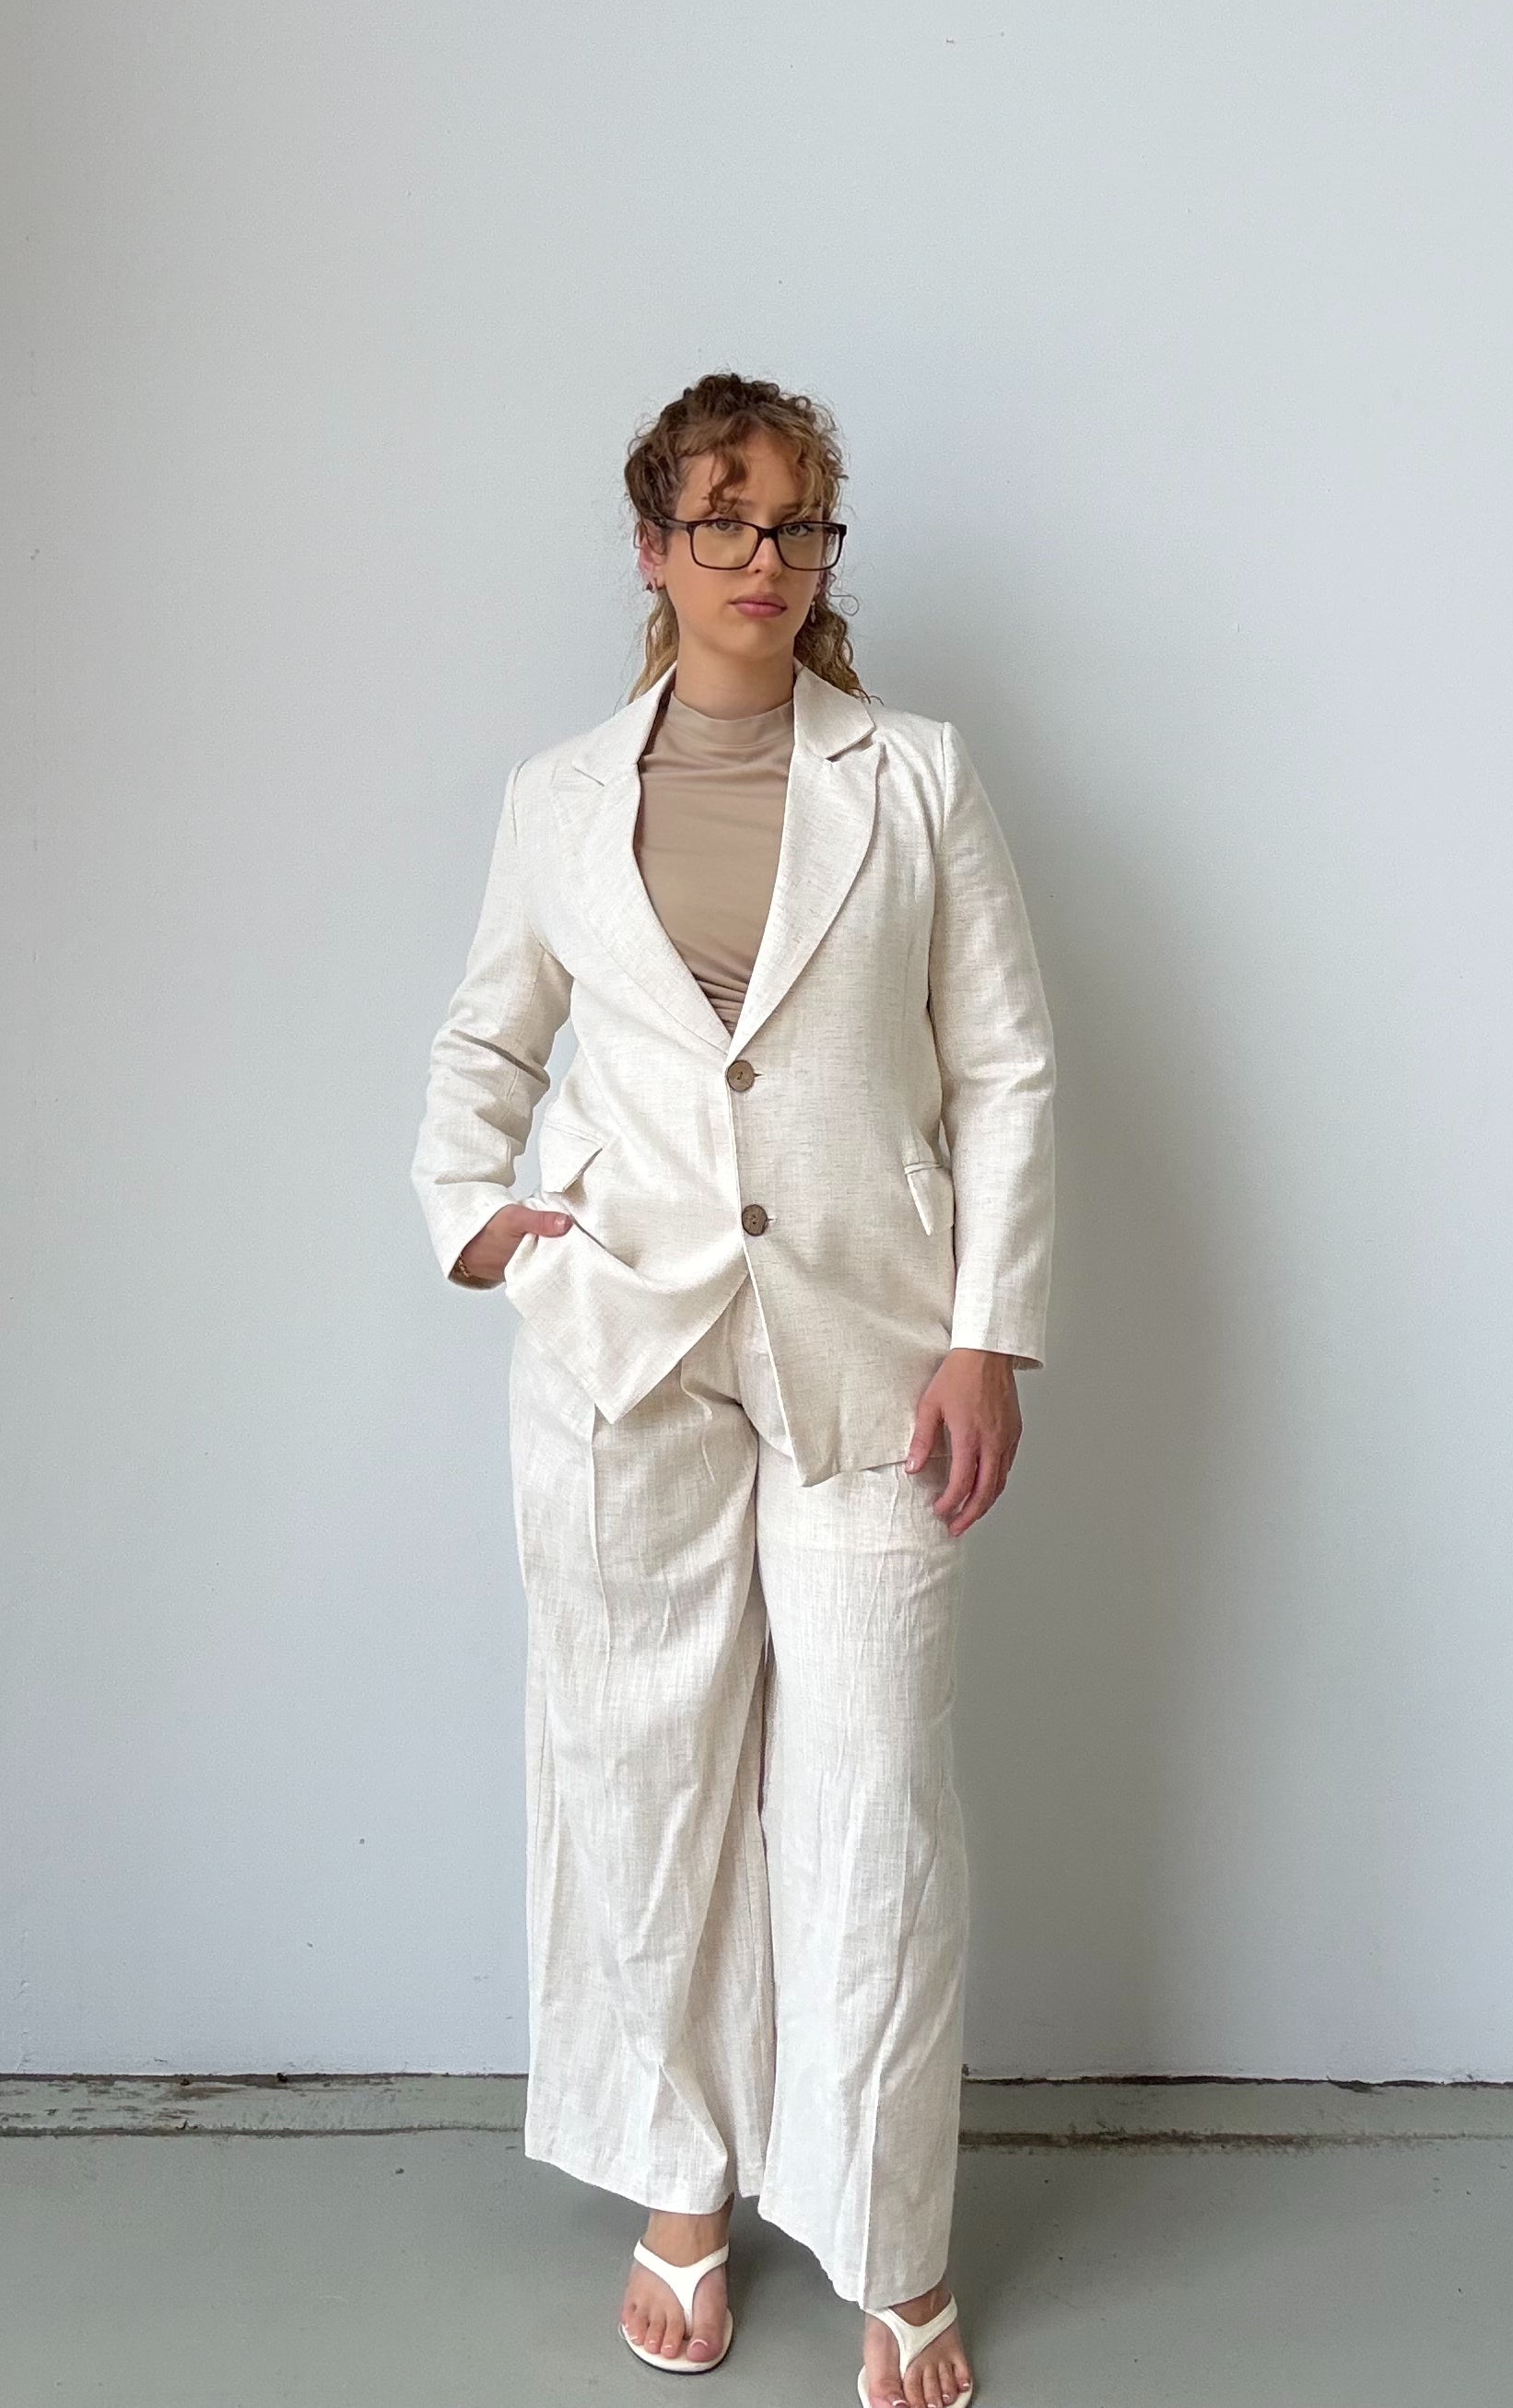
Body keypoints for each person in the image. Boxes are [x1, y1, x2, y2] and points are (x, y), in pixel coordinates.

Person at [411, 372, 1055, 2407]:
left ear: (822, 549)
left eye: (793, 524)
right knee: (641, 1779)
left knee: (872, 1801)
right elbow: (484, 1049)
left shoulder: (914, 776)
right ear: (653, 546)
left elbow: (1004, 1065)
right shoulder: (555, 799)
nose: (759, 559)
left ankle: (888, 2236)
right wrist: (484, 1224)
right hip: (628, 1351)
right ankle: (677, 2184)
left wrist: (989, 1327)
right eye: (721, 521)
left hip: (875, 1345)